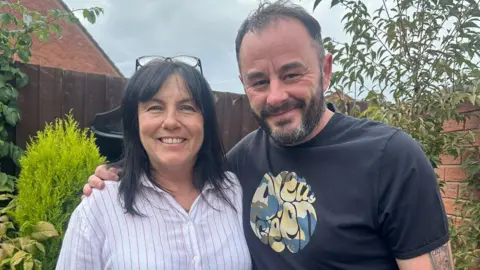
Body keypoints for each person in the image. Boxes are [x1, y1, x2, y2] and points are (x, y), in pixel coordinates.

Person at [83, 1, 453, 269]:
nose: (276, 96)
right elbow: (178, 175)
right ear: (244, 84)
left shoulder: (392, 159)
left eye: (292, 74)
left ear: (325, 70)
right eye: (259, 81)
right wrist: (118, 173)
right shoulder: (241, 164)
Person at [57, 59, 252, 269]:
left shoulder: (234, 190)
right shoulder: (101, 205)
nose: (170, 122)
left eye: (186, 107)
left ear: (205, 121)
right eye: (155, 108)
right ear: (136, 122)